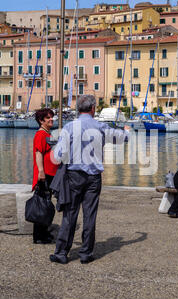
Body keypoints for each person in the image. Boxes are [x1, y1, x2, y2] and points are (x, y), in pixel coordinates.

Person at [49, 95, 130, 265]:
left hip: (73, 177)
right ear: (93, 108)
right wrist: (127, 131)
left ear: (79, 109)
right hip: (93, 178)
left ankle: (62, 253)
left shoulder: (70, 127)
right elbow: (121, 138)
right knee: (90, 216)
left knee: (69, 215)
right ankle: (86, 253)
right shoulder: (100, 126)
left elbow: (57, 157)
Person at [31, 108, 59, 244]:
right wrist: (41, 172)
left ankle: (44, 232)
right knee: (42, 204)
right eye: (48, 118)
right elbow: (38, 153)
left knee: (46, 203)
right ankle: (38, 236)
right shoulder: (40, 135)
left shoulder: (47, 133)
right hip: (45, 174)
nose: (51, 119)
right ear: (41, 121)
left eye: (52, 117)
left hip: (51, 173)